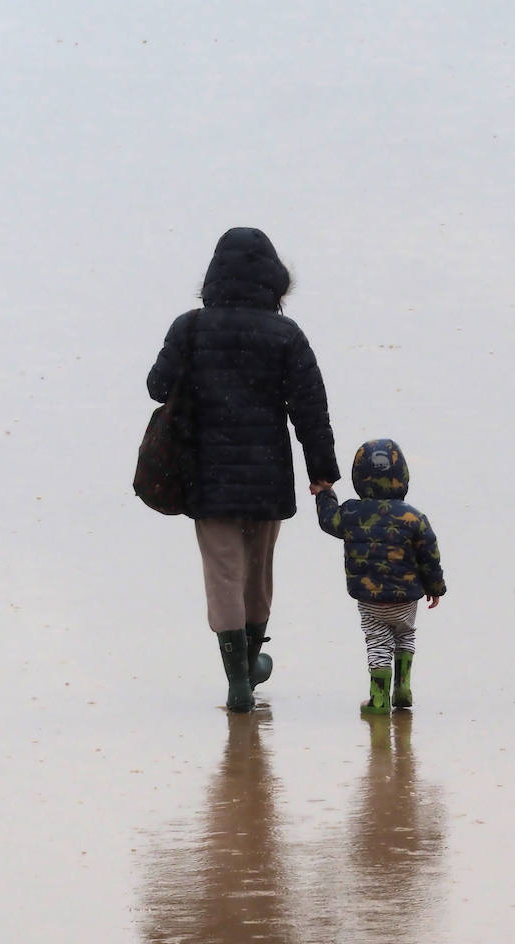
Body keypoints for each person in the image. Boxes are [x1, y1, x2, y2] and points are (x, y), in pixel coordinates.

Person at [147, 227, 339, 712]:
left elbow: (156, 386)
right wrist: (322, 471)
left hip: (206, 476)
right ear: (274, 281)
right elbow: (310, 408)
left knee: (223, 574)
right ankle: (252, 666)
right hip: (268, 475)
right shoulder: (286, 335)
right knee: (258, 572)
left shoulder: (189, 327)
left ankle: (236, 682)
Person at [315, 438, 446, 713]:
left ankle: (378, 699)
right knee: (405, 635)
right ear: (403, 477)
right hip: (406, 599)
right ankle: (403, 690)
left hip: (370, 599)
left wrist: (325, 492)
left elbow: (329, 521)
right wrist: (435, 587)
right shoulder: (414, 518)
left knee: (377, 642)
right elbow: (429, 555)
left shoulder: (351, 513)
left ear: (359, 477)